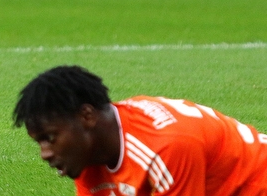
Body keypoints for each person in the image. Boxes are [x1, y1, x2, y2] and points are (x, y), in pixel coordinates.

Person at [14, 65, 267, 195]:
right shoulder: (88, 155)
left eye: (50, 138)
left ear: (86, 116)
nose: (45, 153)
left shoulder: (166, 146)